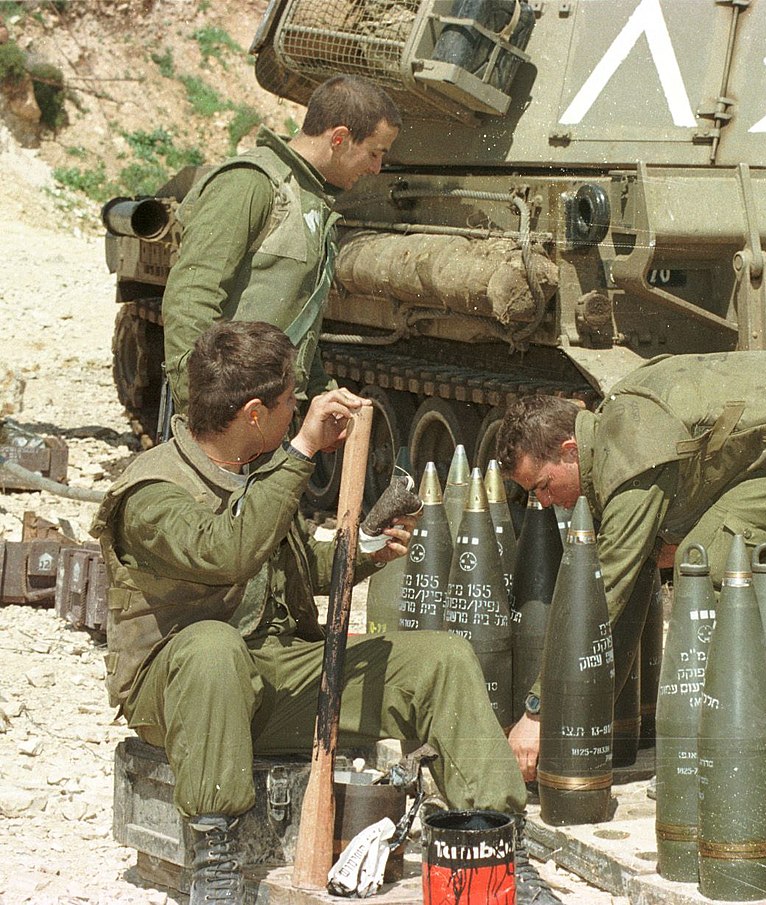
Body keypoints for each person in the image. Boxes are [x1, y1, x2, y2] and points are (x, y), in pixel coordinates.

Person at [91, 322, 560, 905]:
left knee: (442, 661)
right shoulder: (151, 491)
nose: (298, 411)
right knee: (212, 646)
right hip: (185, 694)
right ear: (255, 413)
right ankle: (215, 861)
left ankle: (498, 851)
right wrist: (302, 450)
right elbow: (227, 552)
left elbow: (283, 569)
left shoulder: (255, 471)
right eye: (291, 402)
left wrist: (364, 549)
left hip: (275, 677)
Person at [495, 351, 766, 779]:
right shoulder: (617, 419)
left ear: (570, 452)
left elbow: (605, 591)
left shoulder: (628, 457)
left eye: (543, 485)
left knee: (705, 570)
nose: (543, 502)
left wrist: (539, 710)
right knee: (707, 552)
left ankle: (721, 760)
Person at [160, 75, 401, 417]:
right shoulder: (251, 183)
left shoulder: (311, 199)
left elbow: (298, 323)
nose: (377, 168)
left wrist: (321, 394)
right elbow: (190, 300)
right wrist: (205, 411)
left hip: (265, 416)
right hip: (230, 419)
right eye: (374, 153)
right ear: (339, 138)